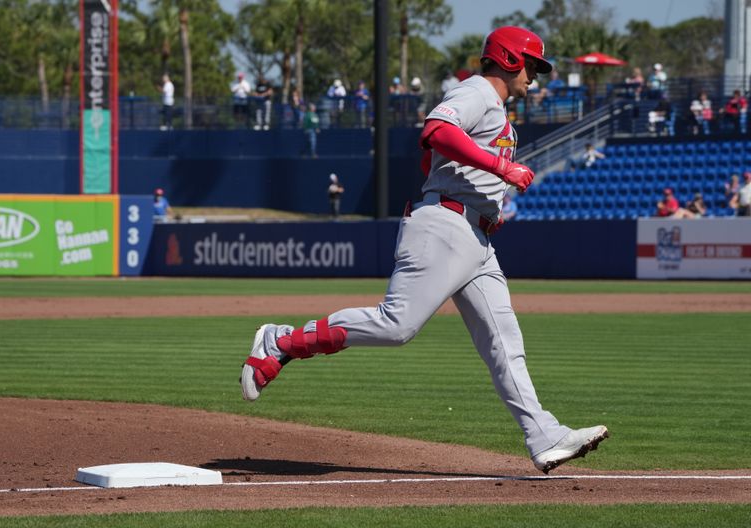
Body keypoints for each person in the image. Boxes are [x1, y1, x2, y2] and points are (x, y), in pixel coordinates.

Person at [239, 26, 609, 475]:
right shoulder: (478, 93)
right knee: (397, 325)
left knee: (503, 343)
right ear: (510, 60)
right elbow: (435, 130)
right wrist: (499, 168)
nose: (536, 75)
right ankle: (282, 341)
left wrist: (484, 195)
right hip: (445, 228)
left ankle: (542, 434)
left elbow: (430, 158)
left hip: (474, 237)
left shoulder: (496, 109)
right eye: (532, 64)